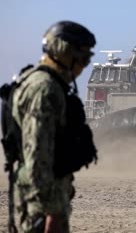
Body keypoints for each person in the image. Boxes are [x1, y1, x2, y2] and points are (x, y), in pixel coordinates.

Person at [11, 21, 96, 232]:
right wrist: (51, 212)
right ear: (65, 52)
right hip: (40, 207)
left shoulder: (54, 86)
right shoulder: (44, 90)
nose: (85, 65)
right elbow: (37, 156)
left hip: (48, 199)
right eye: (84, 57)